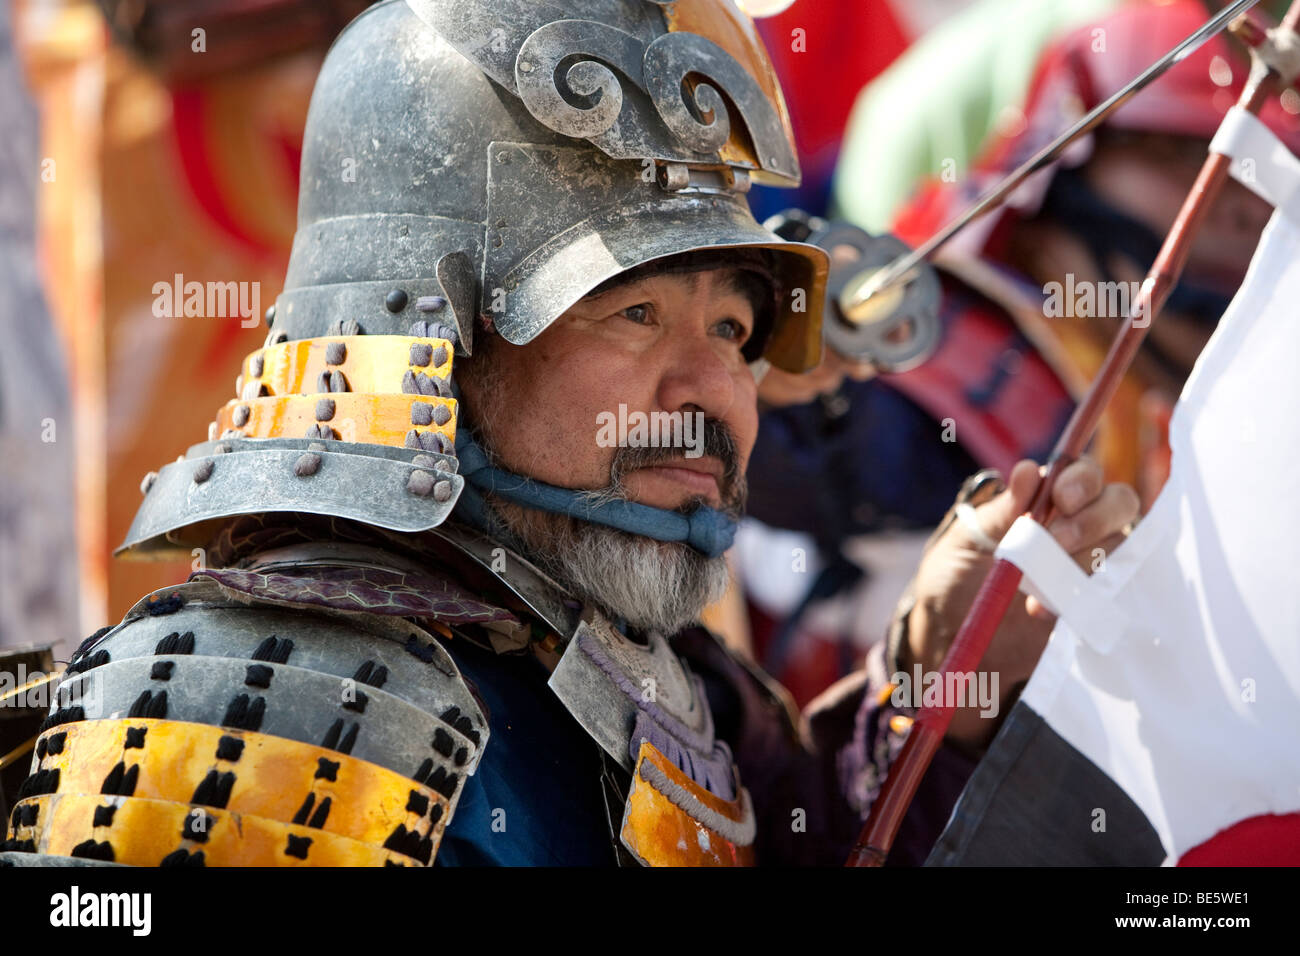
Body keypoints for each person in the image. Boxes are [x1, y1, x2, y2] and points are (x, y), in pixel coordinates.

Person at [0, 0, 1136, 867]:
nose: (711, 386)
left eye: (734, 324)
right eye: (634, 309)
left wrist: (937, 686)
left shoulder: (660, 682)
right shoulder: (241, 706)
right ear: (434, 341)